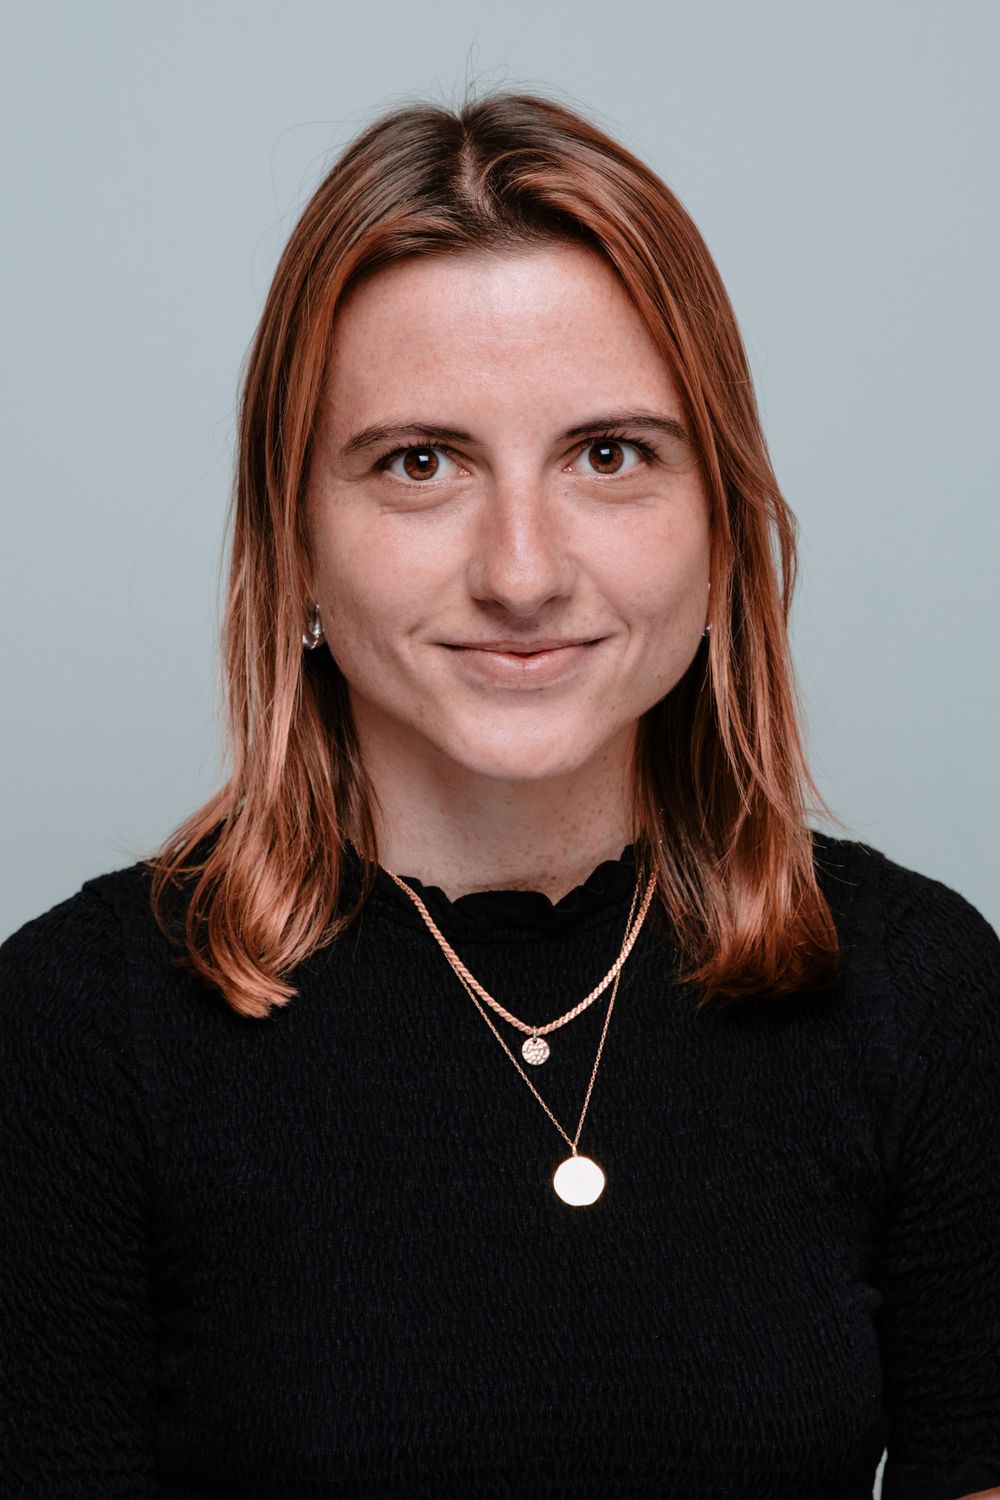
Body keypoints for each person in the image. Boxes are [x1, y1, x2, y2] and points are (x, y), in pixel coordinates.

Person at [1, 87, 998, 1500]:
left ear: (720, 523)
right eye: (420, 463)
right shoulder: (74, 1037)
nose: (521, 572)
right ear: (294, 539)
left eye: (610, 455)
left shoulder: (927, 997)